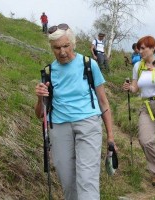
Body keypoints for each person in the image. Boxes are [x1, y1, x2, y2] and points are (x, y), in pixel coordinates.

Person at [34, 23, 116, 200]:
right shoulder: (48, 72)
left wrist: (110, 136)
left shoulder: (89, 65)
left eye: (66, 46)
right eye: (57, 48)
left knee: (87, 178)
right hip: (59, 127)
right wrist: (40, 97)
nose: (62, 52)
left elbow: (103, 102)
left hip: (88, 124)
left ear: (73, 43)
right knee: (68, 180)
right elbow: (40, 114)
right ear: (51, 48)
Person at [122, 35, 155, 187]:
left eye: (143, 48)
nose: (140, 51)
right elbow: (135, 88)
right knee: (145, 140)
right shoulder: (137, 66)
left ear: (152, 48)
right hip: (146, 106)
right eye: (139, 48)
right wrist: (129, 88)